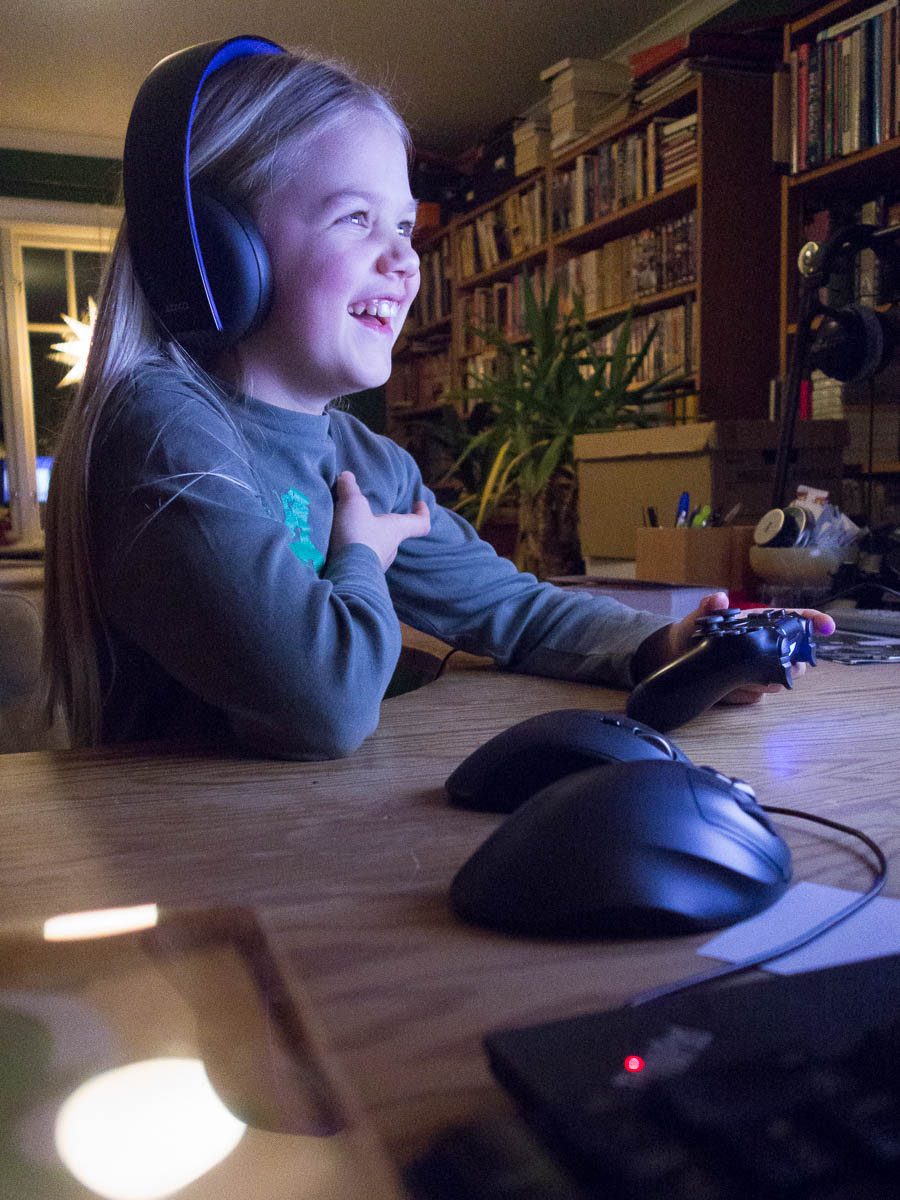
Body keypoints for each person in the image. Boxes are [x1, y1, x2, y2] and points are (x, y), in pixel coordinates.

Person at [42, 43, 834, 759]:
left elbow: (514, 608)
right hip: (180, 850)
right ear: (212, 254)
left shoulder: (364, 463)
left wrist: (672, 645)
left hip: (302, 829)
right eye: (355, 218)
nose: (405, 262)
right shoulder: (163, 431)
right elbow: (324, 705)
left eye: (404, 226)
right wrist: (360, 556)